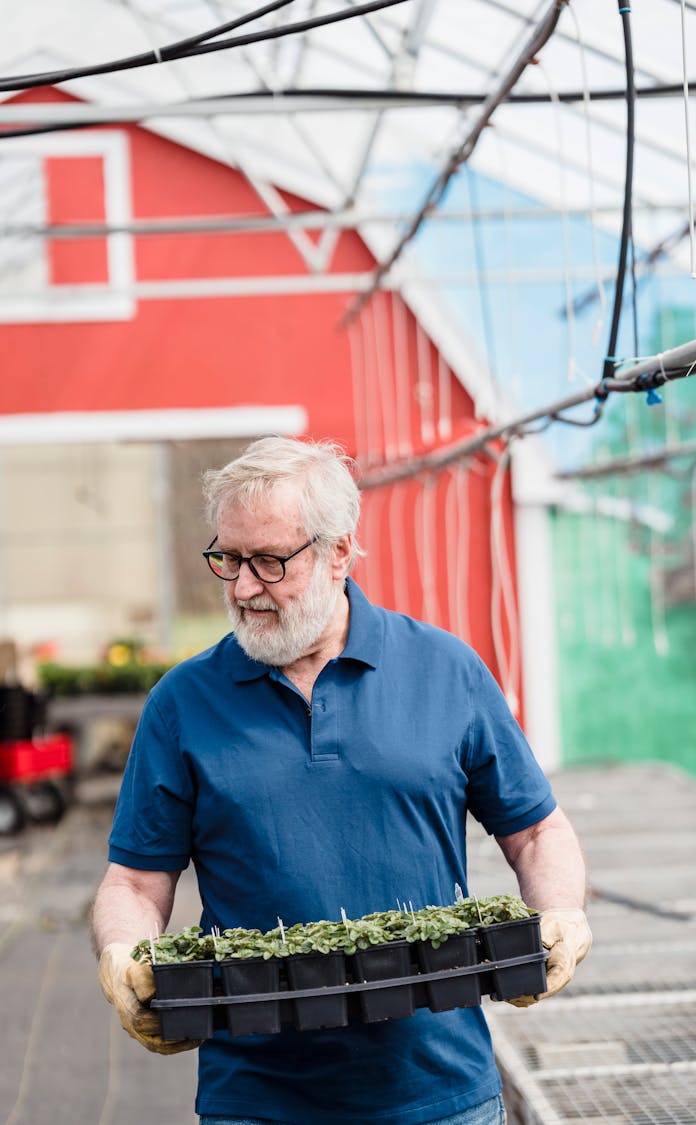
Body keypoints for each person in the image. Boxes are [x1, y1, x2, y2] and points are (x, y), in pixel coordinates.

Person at [92, 435, 592, 1125]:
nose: (241, 587)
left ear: (337, 551)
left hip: (439, 1089)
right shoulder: (183, 702)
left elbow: (536, 831)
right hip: (256, 1098)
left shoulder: (445, 670)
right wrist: (123, 953)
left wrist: (562, 911)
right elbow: (135, 878)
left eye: (268, 561)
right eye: (227, 558)